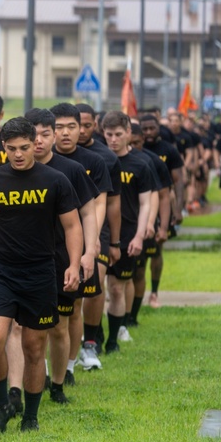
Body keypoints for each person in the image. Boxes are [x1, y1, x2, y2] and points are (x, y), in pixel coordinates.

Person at [0, 117, 83, 435]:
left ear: (35, 144)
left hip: (40, 272)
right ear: (3, 147)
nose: (18, 154)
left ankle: (31, 416)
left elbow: (73, 226)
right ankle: (3, 404)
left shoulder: (55, 180)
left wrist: (74, 264)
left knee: (34, 347)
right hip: (1, 271)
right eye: (12, 149)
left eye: (24, 148)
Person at [24, 108, 98, 405]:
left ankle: (57, 382)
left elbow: (88, 213)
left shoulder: (71, 170)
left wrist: (88, 253)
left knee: (58, 325)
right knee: (25, 326)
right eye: (34, 135)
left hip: (62, 256)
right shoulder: (12, 170)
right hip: (23, 260)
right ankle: (29, 381)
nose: (39, 141)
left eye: (45, 134)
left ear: (54, 135)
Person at [49, 103, 112, 381]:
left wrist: (91, 243)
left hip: (83, 239)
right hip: (46, 242)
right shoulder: (35, 160)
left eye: (71, 127)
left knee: (74, 306)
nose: (65, 133)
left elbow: (97, 206)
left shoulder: (94, 162)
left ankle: (70, 365)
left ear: (82, 128)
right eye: (59, 127)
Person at [101, 111, 155, 355]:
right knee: (96, 291)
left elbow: (146, 204)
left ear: (129, 134)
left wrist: (139, 236)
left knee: (117, 288)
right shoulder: (97, 160)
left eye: (118, 135)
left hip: (128, 233)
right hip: (100, 235)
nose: (113, 139)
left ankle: (115, 336)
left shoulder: (141, 165)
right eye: (109, 134)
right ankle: (91, 335)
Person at [74, 103, 123, 368]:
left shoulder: (105, 158)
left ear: (96, 124)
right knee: (72, 293)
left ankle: (90, 343)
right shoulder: (53, 155)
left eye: (85, 124)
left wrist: (113, 241)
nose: (80, 130)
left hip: (98, 232)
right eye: (74, 125)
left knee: (94, 287)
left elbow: (112, 203)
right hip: (63, 233)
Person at [140, 113, 184, 308]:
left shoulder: (168, 150)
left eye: (152, 128)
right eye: (145, 129)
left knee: (156, 251)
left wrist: (178, 210)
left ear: (159, 128)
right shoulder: (134, 150)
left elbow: (178, 181)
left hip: (163, 203)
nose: (148, 133)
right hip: (139, 205)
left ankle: (154, 292)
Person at [129, 124, 171, 327]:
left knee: (139, 269)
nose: (133, 147)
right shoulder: (111, 159)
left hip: (145, 223)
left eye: (137, 143)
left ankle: (132, 317)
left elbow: (163, 195)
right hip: (122, 225)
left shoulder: (151, 162)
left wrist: (161, 226)